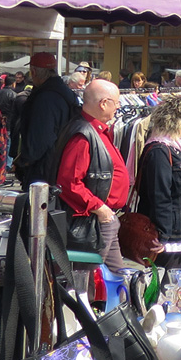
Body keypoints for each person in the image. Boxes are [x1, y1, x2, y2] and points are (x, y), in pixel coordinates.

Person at [53, 80, 130, 272]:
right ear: (103, 103)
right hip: (92, 223)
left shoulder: (96, 129)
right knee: (87, 281)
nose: (119, 106)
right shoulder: (83, 134)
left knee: (116, 278)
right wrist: (100, 208)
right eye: (116, 102)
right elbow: (69, 183)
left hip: (103, 219)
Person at [138, 94, 181, 273]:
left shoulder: (178, 147)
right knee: (166, 287)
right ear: (179, 121)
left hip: (180, 231)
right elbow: (160, 196)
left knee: (174, 283)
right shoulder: (160, 151)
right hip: (169, 236)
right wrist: (163, 235)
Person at [15, 52, 78, 187]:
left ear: (33, 72)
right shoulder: (64, 92)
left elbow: (40, 139)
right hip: (58, 163)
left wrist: (25, 161)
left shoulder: (45, 98)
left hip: (43, 170)